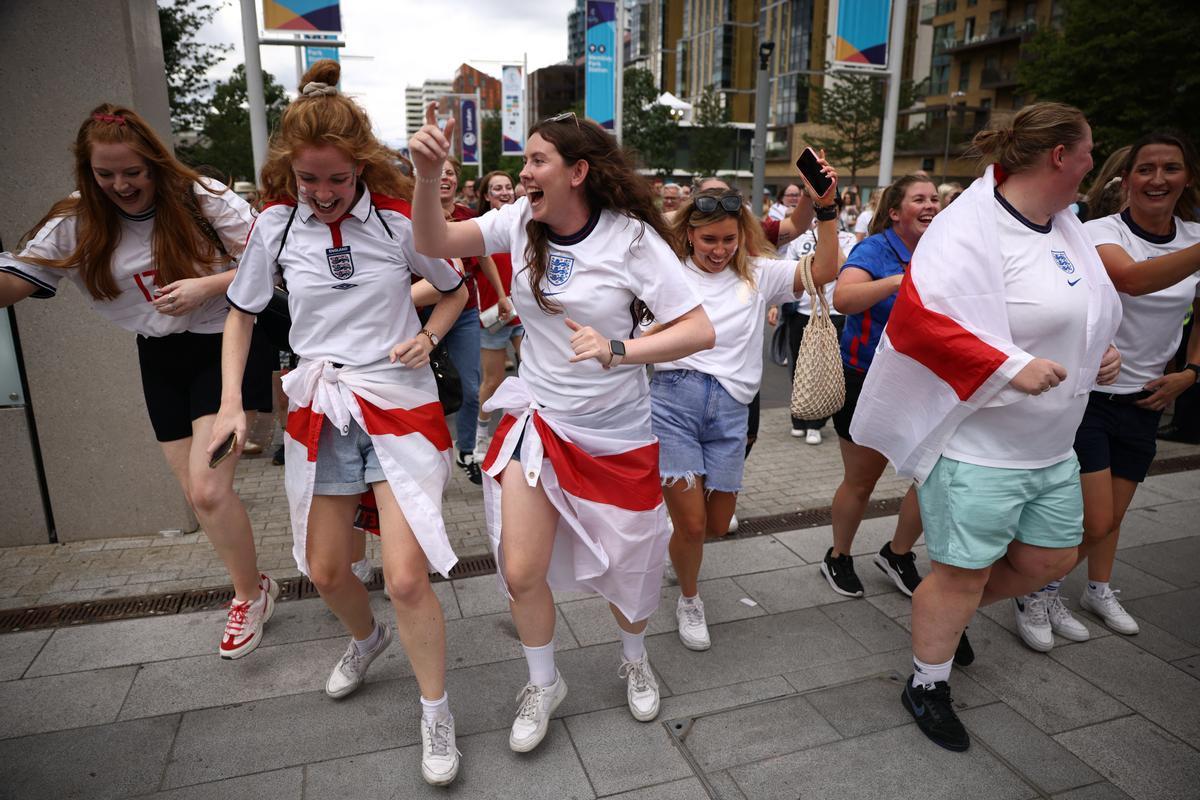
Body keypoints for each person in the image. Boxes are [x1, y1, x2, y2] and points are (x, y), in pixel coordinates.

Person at [408, 105, 714, 752]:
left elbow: (697, 329)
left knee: (630, 570)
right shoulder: (519, 221)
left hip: (618, 434)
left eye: (538, 161)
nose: (525, 174)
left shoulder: (631, 238)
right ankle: (544, 682)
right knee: (521, 571)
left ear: (578, 171)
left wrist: (618, 349)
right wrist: (426, 173)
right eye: (524, 163)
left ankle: (634, 657)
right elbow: (434, 244)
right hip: (539, 422)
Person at [210, 62, 469, 786]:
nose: (322, 195)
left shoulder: (396, 220)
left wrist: (430, 333)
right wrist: (233, 401)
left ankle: (436, 711)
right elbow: (242, 310)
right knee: (324, 569)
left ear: (359, 167)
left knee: (407, 575)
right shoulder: (274, 225)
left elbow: (454, 290)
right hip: (322, 409)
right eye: (308, 180)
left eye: (335, 179)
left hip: (400, 404)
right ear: (289, 172)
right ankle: (367, 638)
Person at [850, 102, 1123, 752]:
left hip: (1051, 442)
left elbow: (1079, 309)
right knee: (961, 576)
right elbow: (917, 320)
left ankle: (943, 611)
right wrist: (1008, 366)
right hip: (977, 446)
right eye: (1087, 152)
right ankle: (927, 679)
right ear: (1060, 155)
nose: (1092, 164)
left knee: (1053, 557)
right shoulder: (969, 226)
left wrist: (1096, 351)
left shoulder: (1065, 226)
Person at [0, 104, 279, 660]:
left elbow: (277, 261)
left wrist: (207, 287)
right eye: (106, 174)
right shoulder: (78, 218)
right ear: (88, 172)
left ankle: (248, 597)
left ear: (154, 163)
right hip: (157, 354)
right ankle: (259, 583)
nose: (121, 185)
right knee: (197, 497)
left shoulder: (201, 198)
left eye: (132, 171)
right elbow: (17, 280)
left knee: (209, 488)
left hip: (225, 337)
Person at [1013, 131, 1200, 651]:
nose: (1158, 179)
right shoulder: (1097, 232)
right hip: (1090, 393)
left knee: (1113, 515)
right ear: (1128, 177)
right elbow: (1134, 280)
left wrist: (1191, 373)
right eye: (1146, 169)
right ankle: (1036, 591)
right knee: (1089, 516)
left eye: (1171, 168)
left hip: (1148, 396)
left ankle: (1096, 589)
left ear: (1187, 177)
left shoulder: (1191, 236)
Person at [655, 158, 841, 651]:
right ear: (690, 235)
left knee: (716, 525)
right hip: (673, 401)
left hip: (733, 409)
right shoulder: (665, 271)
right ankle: (690, 598)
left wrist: (827, 208)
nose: (718, 249)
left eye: (728, 239)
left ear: (742, 237)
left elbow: (826, 270)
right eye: (708, 239)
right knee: (694, 524)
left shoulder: (760, 272)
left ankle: (677, 543)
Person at [824, 176, 941, 601]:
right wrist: (897, 282)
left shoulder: (944, 249)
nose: (931, 205)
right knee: (862, 481)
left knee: (930, 476)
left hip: (925, 381)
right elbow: (845, 298)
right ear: (895, 211)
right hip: (867, 378)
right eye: (919, 199)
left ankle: (898, 553)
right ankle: (838, 555)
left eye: (935, 199)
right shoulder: (875, 249)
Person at [780, 199, 858, 443]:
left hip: (833, 311)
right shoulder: (798, 239)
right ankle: (799, 416)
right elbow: (786, 272)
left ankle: (817, 421)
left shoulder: (848, 239)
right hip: (801, 310)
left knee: (826, 366)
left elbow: (845, 269)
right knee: (800, 362)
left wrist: (831, 239)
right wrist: (776, 306)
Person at [473, 170, 523, 453]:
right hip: (493, 315)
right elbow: (484, 259)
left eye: (508, 187)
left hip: (522, 314)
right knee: (493, 381)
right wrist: (503, 297)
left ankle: (514, 430)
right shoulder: (481, 227)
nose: (504, 192)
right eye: (497, 189)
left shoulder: (524, 224)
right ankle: (482, 434)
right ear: (486, 196)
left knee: (528, 372)